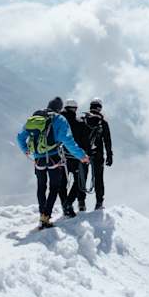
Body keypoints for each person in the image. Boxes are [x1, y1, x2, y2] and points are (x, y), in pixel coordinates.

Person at [17, 97, 89, 229]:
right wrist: (81, 156)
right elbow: (68, 141)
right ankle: (46, 216)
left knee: (41, 187)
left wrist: (25, 150)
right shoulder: (59, 119)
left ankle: (42, 214)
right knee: (54, 187)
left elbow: (20, 137)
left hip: (38, 159)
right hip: (54, 158)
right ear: (59, 108)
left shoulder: (36, 117)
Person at [61, 98, 91, 213]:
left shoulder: (59, 123)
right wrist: (87, 155)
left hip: (61, 157)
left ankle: (64, 204)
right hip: (77, 157)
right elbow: (86, 142)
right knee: (79, 181)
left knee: (62, 183)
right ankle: (69, 203)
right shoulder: (80, 123)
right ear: (75, 109)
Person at [82, 97, 113, 210]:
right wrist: (109, 155)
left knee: (82, 177)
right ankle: (99, 203)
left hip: (83, 154)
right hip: (98, 153)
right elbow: (107, 140)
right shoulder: (103, 122)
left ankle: (81, 203)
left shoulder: (83, 119)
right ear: (100, 108)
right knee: (99, 178)